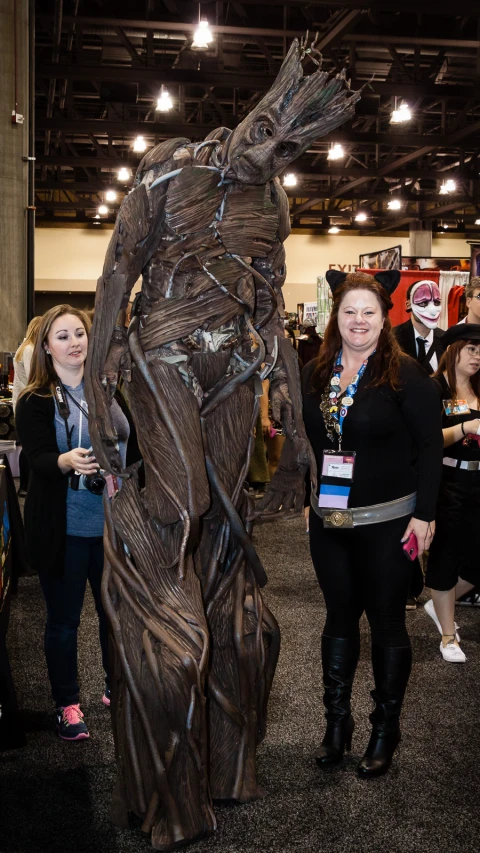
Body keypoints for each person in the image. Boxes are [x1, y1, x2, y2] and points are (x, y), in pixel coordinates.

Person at [302, 270, 443, 778]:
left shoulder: (406, 376)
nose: (358, 321)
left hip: (390, 523)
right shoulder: (315, 372)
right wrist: (309, 494)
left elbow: (430, 450)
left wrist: (425, 516)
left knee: (386, 620)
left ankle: (386, 730)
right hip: (330, 520)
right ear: (334, 318)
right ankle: (336, 728)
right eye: (349, 312)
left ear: (385, 320)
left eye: (369, 313)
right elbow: (313, 442)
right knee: (338, 617)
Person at [15, 305, 130, 741]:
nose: (73, 343)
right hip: (61, 530)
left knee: (112, 616)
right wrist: (63, 460)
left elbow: (130, 442)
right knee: (63, 621)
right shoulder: (35, 399)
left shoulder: (108, 390)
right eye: (62, 336)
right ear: (46, 346)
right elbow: (36, 458)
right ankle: (67, 704)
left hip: (108, 529)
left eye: (79, 333)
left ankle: (114, 687)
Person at [424, 324, 480, 662]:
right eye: (471, 348)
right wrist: (465, 427)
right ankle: (448, 636)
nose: (477, 356)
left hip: (479, 484)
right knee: (445, 558)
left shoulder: (478, 387)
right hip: (448, 484)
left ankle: (438, 601)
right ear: (454, 349)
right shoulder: (434, 389)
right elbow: (428, 440)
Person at [12, 316, 43, 497]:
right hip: (29, 400)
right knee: (29, 446)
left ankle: (24, 486)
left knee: (26, 444)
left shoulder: (22, 348)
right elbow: (35, 377)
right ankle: (25, 486)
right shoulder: (30, 349)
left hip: (22, 399)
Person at [394, 280, 445, 375]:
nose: (432, 310)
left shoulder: (446, 340)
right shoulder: (392, 339)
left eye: (437, 302)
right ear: (408, 305)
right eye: (423, 303)